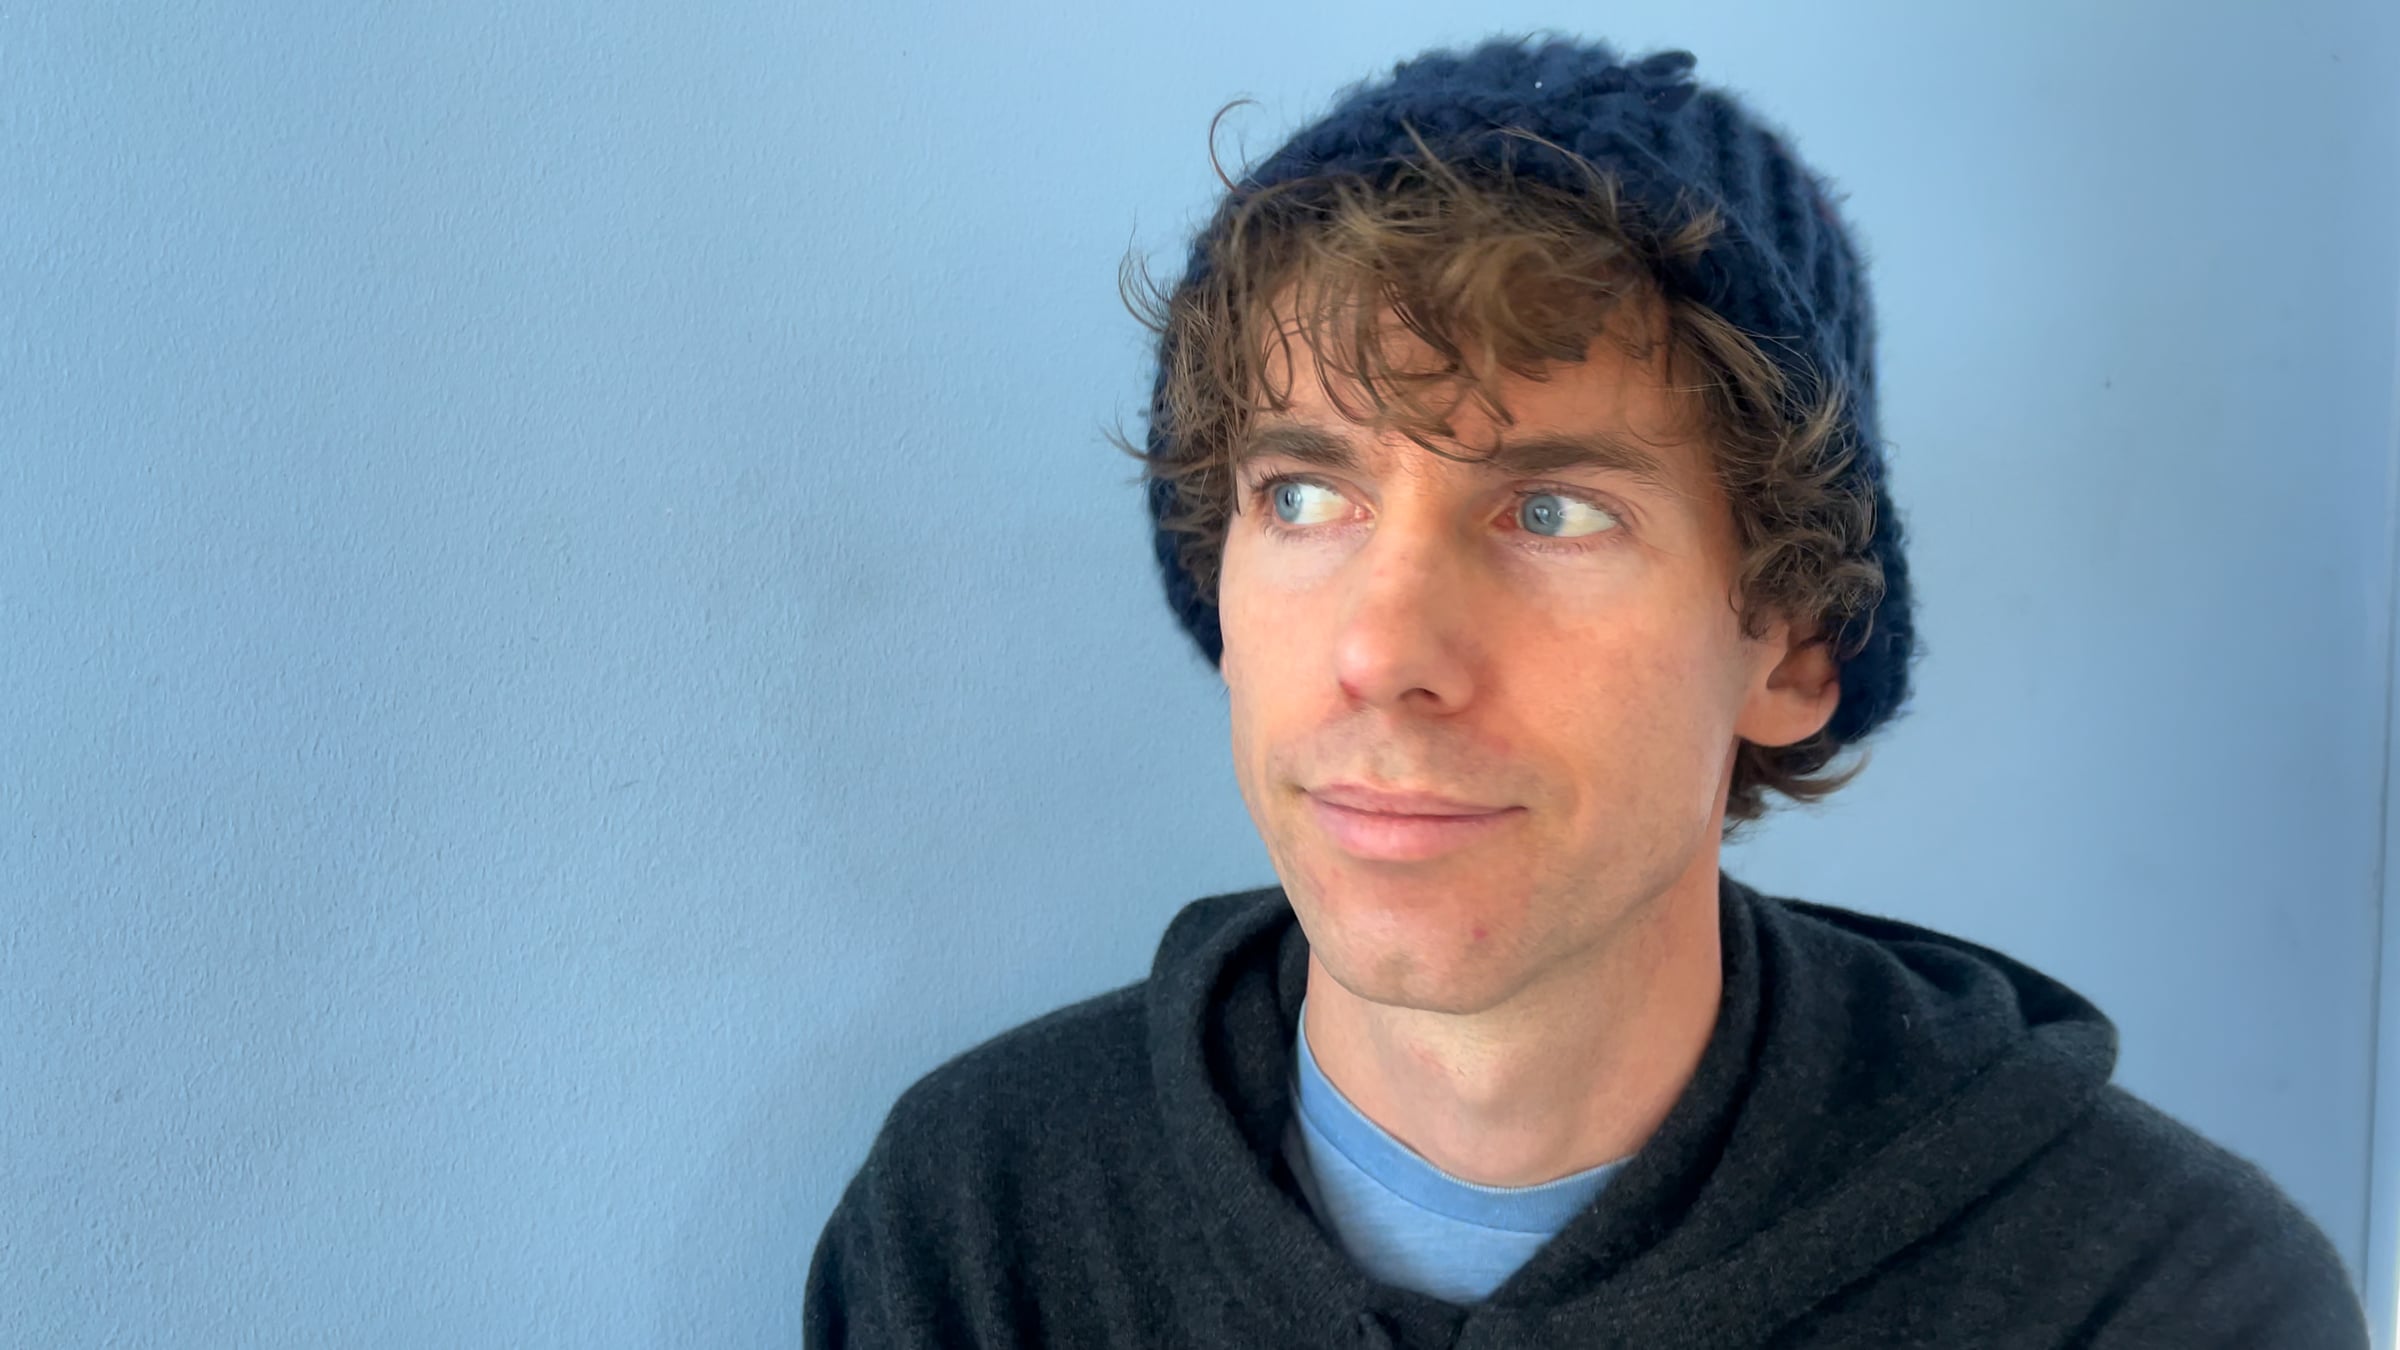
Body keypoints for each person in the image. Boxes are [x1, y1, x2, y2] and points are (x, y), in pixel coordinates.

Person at [801, 34, 2369, 1348]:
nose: (1383, 651)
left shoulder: (2158, 1298)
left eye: (1551, 510)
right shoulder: (979, 1222)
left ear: (1792, 646)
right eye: (1304, 495)